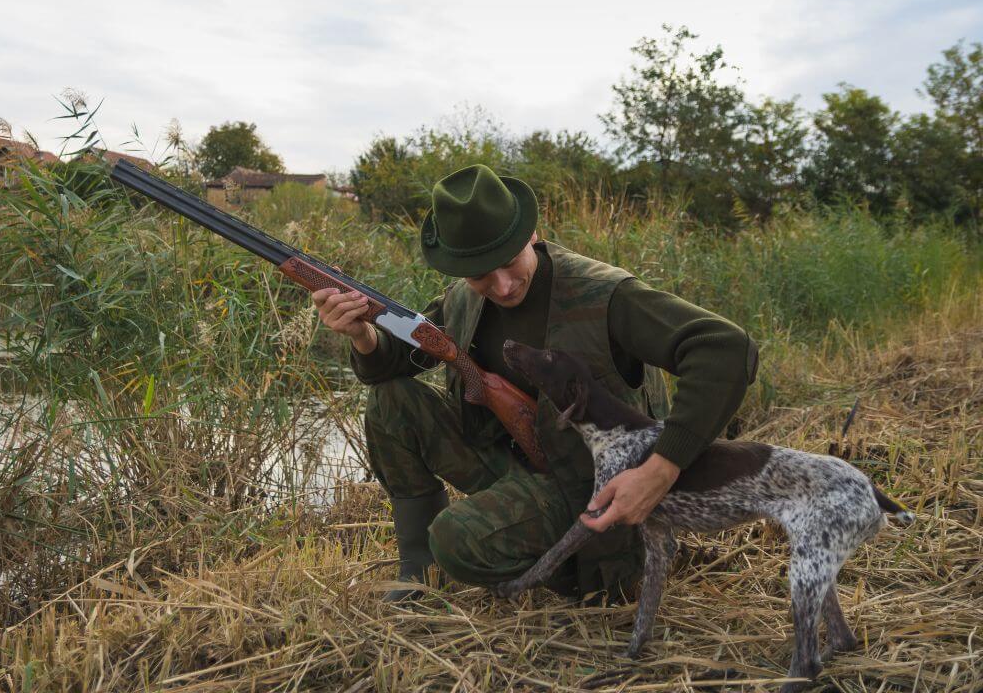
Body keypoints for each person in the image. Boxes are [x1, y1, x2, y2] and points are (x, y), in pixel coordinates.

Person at [312, 164, 759, 602]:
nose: (502, 286)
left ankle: (584, 564)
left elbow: (725, 349)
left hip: (599, 492)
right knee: (391, 400)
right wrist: (362, 335)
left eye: (509, 262)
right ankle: (418, 573)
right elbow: (394, 365)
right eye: (480, 274)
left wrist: (662, 468)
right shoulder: (462, 301)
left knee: (455, 540)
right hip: (526, 470)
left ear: (532, 234)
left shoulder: (605, 295)